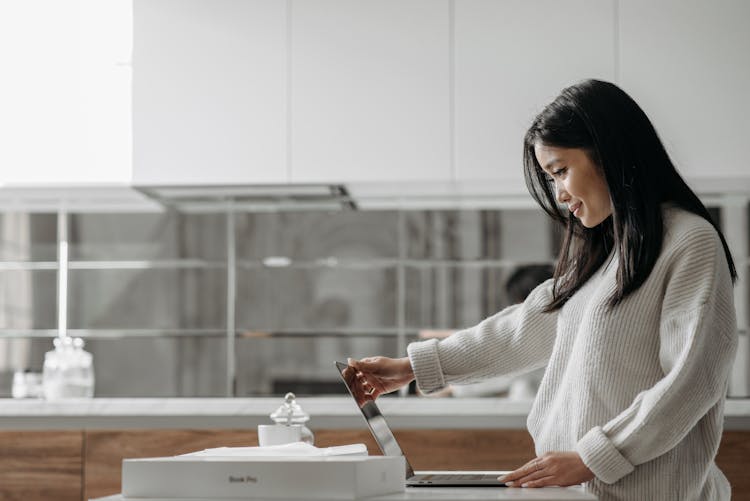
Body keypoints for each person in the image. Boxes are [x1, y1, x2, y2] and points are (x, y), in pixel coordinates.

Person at [347, 79, 738, 500]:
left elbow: (693, 382)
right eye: (551, 178)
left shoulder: (689, 242)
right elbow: (519, 331)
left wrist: (593, 458)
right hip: (583, 491)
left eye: (562, 171)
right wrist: (410, 367)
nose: (560, 194)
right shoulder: (606, 255)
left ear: (610, 154)